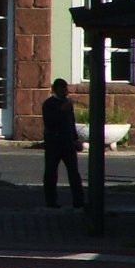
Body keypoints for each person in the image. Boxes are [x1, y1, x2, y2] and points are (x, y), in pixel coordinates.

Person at [41, 79, 84, 209]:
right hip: (54, 143)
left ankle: (79, 201)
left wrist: (76, 139)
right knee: (51, 172)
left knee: (74, 173)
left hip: (68, 142)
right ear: (56, 90)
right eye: (62, 89)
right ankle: (51, 201)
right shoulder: (48, 104)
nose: (65, 91)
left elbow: (71, 122)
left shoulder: (68, 103)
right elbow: (49, 123)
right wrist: (61, 110)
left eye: (66, 89)